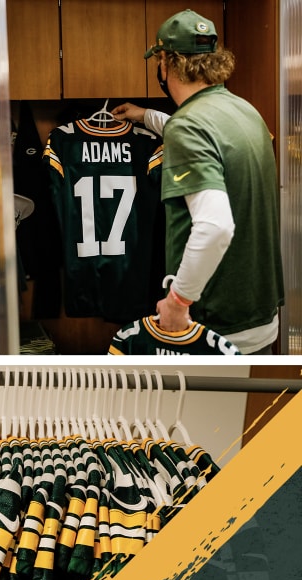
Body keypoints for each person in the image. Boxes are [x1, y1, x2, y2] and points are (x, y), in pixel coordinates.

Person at [112, 9, 283, 354]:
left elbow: (215, 226)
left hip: (214, 323)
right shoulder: (244, 111)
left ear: (165, 62)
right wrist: (146, 116)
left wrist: (177, 300)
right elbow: (205, 136)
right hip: (259, 315)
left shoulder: (188, 127)